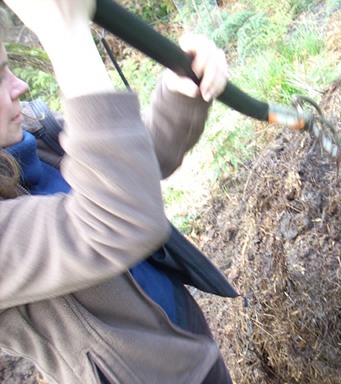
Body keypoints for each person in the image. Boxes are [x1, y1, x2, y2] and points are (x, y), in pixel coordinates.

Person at [0, 0, 232, 383]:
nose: (19, 85)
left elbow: (130, 164)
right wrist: (67, 38)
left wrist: (179, 94)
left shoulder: (30, 134)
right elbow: (115, 219)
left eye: (8, 67)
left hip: (189, 344)